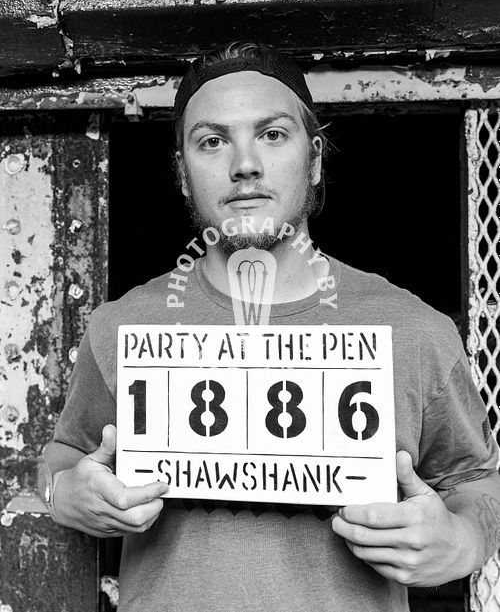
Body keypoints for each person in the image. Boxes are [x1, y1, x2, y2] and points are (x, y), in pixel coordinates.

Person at [39, 41, 500, 612]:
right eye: (213, 141)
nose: (245, 165)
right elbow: (63, 456)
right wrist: (64, 493)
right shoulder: (118, 328)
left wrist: (464, 540)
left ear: (316, 158)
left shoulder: (416, 331)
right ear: (182, 173)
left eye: (273, 134)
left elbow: (476, 481)